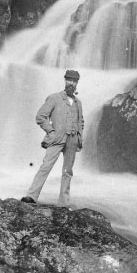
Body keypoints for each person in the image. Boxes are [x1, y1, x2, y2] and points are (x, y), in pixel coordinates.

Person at [22, 69, 85, 206]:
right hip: (56, 138)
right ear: (65, 80)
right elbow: (40, 116)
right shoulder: (54, 98)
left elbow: (81, 121)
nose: (72, 84)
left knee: (67, 172)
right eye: (69, 80)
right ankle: (31, 196)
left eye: (74, 81)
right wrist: (50, 131)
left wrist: (79, 136)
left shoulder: (78, 102)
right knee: (46, 166)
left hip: (72, 140)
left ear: (77, 83)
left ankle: (63, 203)